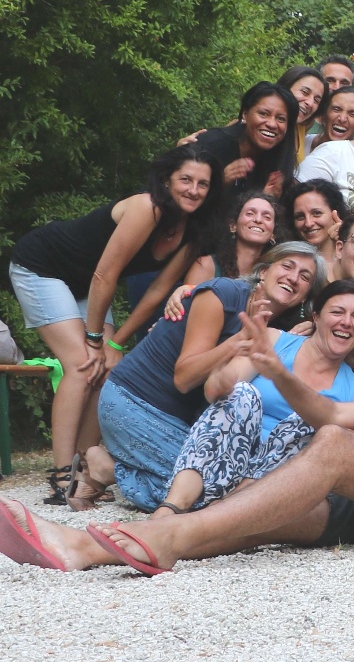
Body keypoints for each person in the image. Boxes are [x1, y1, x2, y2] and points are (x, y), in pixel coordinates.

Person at [2, 293, 354, 575]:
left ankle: (160, 538)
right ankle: (91, 550)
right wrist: (279, 372)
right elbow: (332, 415)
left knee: (332, 449)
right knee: (263, 507)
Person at [11, 146, 220, 507]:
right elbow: (104, 275)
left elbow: (156, 292)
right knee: (82, 364)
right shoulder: (145, 208)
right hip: (43, 266)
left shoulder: (193, 232)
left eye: (203, 184)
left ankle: (84, 466)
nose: (194, 190)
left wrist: (116, 344)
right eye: (186, 179)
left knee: (111, 367)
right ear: (166, 180)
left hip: (86, 285)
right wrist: (95, 340)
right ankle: (61, 476)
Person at [79, 243, 328, 512]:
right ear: (264, 272)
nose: (293, 277)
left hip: (181, 422)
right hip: (133, 401)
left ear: (305, 296)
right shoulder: (223, 295)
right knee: (213, 494)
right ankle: (107, 468)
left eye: (305, 277)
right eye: (287, 266)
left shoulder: (280, 329)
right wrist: (237, 341)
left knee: (228, 487)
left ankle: (115, 467)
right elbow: (184, 378)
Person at [155, 280, 354, 515]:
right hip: (222, 461)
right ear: (316, 317)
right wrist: (222, 381)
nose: (346, 322)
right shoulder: (273, 341)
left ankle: (219, 512)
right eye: (337, 312)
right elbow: (214, 392)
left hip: (271, 487)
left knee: (314, 421)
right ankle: (172, 506)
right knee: (243, 393)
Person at [185, 82, 300, 195]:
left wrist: (267, 200)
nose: (272, 124)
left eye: (281, 119)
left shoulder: (280, 161)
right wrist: (219, 182)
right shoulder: (211, 145)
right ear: (245, 114)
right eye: (263, 114)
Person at [276, 66, 328, 163]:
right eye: (305, 92)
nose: (310, 103)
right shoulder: (265, 124)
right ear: (286, 87)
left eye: (316, 100)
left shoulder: (301, 127)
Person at [312, 85, 354, 151]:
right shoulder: (302, 143)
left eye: (352, 114)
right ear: (324, 114)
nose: (342, 119)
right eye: (336, 109)